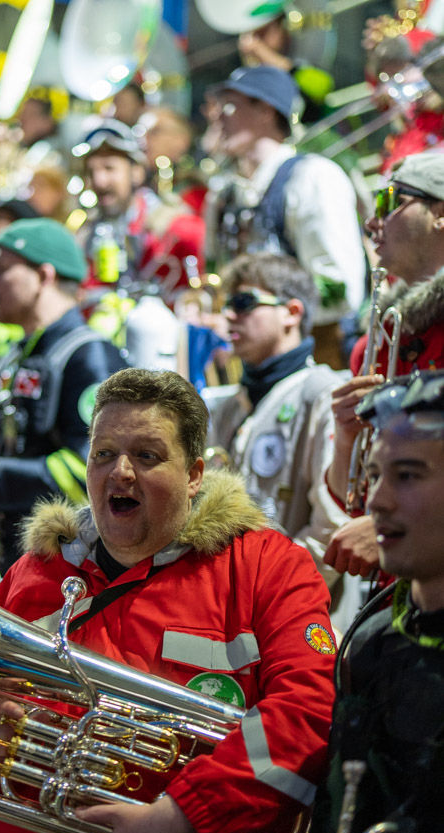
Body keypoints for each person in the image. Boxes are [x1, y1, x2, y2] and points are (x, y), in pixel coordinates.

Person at [0, 367, 336, 833]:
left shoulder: (269, 566)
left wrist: (185, 818)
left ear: (194, 474)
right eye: (104, 455)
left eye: (146, 456)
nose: (118, 473)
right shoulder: (39, 571)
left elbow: (308, 710)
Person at [276, 369, 444, 833]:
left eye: (407, 476)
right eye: (374, 476)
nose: (374, 502)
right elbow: (343, 823)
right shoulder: (373, 638)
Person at [0, 217, 127, 572]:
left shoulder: (90, 355)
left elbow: (93, 472)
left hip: (73, 569)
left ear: (44, 276)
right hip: (29, 559)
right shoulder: (25, 352)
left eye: (3, 269)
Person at [203, 253, 359, 631]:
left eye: (243, 303)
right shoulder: (224, 405)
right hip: (224, 611)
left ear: (291, 311)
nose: (229, 316)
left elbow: (333, 523)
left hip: (298, 615)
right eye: (226, 306)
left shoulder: (325, 394)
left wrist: (266, 594)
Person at [324, 150, 444, 580]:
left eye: (389, 201)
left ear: (440, 213)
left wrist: (384, 528)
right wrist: (345, 436)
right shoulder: (373, 346)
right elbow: (348, 499)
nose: (373, 222)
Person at [205, 66, 366, 368]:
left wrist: (256, 315)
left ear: (266, 111)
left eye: (230, 106)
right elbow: (215, 275)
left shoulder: (312, 177)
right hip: (245, 365)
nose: (218, 117)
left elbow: (341, 289)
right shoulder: (223, 193)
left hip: (314, 360)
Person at [75, 118, 205, 296]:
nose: (99, 181)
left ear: (136, 172)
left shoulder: (178, 229)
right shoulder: (86, 235)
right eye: (91, 172)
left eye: (109, 168)